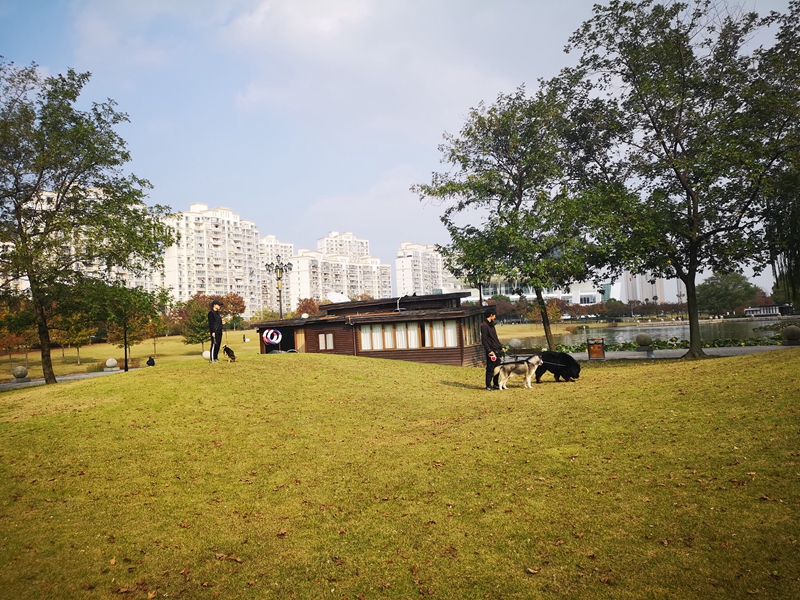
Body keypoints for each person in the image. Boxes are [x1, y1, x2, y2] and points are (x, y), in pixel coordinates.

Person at [480, 308, 504, 390]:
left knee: (497, 367)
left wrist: (500, 347)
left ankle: (496, 384)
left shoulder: (492, 325)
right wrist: (489, 350)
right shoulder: (484, 325)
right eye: (494, 315)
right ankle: (488, 385)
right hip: (491, 351)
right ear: (491, 315)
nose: (495, 317)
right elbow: (484, 339)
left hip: (496, 349)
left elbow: (495, 338)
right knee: (490, 368)